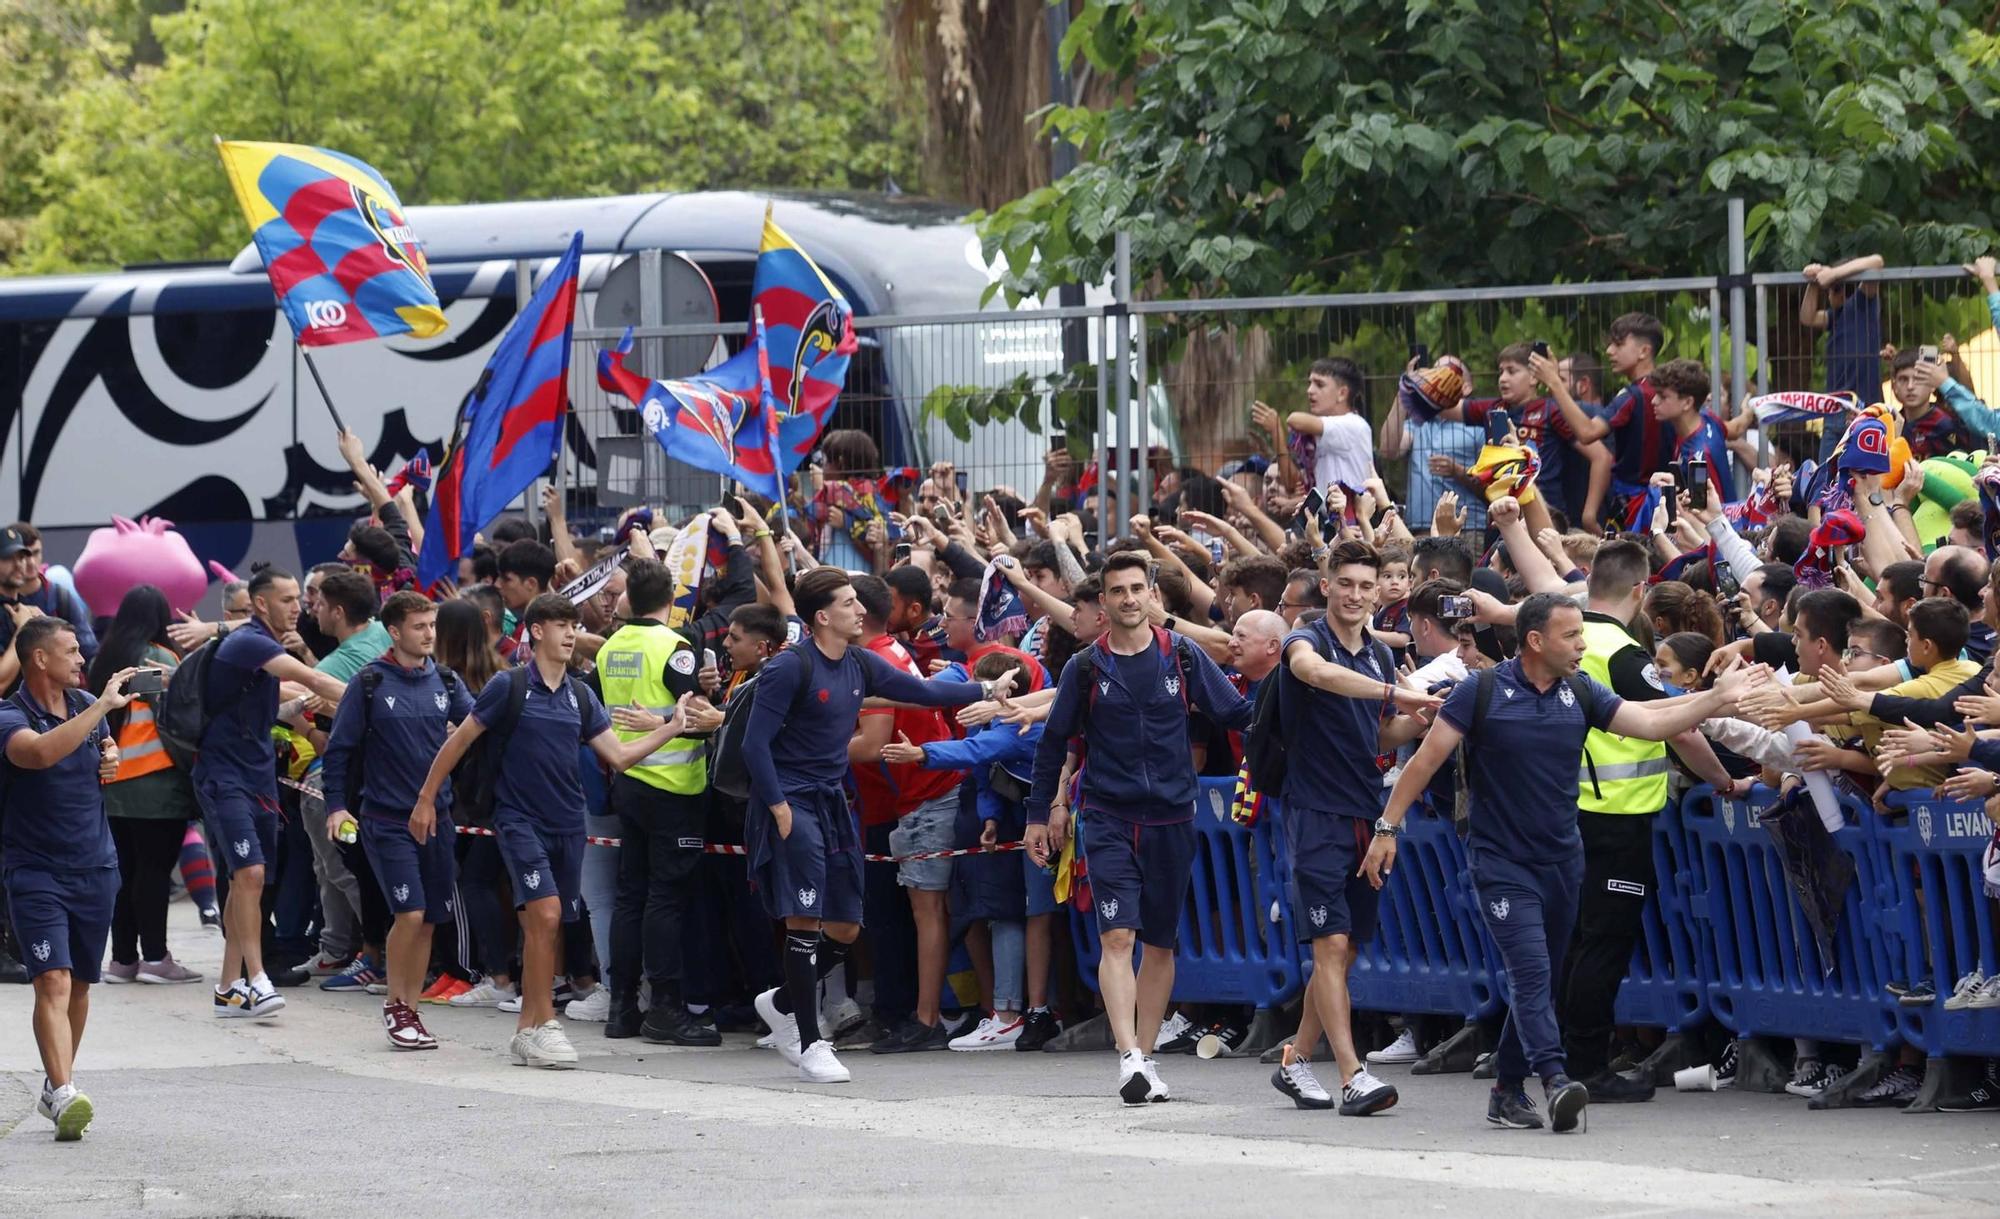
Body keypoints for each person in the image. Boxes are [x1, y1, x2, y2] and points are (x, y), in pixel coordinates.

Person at [1367, 593, 1766, 1134]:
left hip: (1563, 860)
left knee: (1545, 979)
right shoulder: (1479, 692)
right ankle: (1555, 1081)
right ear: (1536, 642)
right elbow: (1424, 762)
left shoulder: (1581, 690)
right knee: (1531, 973)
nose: (1582, 645)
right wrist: (1387, 828)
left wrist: (1716, 699)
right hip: (1500, 861)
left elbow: (1650, 724)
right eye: (1571, 636)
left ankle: (1507, 1091)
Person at [741, 567, 1009, 1085]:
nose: (860, 609)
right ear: (822, 617)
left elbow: (922, 692)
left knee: (845, 925)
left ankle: (778, 1002)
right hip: (792, 802)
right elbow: (755, 745)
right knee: (804, 919)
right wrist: (776, 807)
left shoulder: (860, 663)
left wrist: (986, 686)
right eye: (847, 603)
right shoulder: (788, 668)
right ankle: (809, 1038)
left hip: (835, 802)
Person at [414, 593, 691, 1068]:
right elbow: (459, 741)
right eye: (561, 624)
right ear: (536, 630)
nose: (570, 633)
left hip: (569, 822)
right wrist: (426, 800)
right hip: (518, 821)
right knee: (543, 917)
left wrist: (673, 727)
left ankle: (531, 1027)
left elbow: (619, 757)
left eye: (573, 624)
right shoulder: (509, 686)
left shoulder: (581, 695)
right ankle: (542, 1026)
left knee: (551, 922)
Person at [1025, 551, 1256, 1105]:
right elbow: (1053, 743)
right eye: (1117, 591)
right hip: (1108, 817)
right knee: (1117, 936)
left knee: (1159, 943)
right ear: (1102, 602)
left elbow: (1237, 713)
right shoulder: (1084, 667)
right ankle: (1128, 1054)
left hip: (1175, 817)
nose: (1128, 598)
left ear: (1152, 593)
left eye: (1137, 588)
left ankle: (1145, 1060)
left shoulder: (1184, 655)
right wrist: (1039, 814)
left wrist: (1298, 704)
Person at [1560, 541, 1739, 1104]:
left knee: (1575, 942)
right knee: (1602, 944)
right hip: (1615, 817)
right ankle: (1586, 1066)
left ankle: (1560, 1057)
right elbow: (1679, 727)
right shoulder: (1618, 652)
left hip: (1571, 811)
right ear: (1640, 591)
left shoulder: (1569, 641)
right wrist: (1725, 783)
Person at [1267, 541, 1432, 1115]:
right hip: (1313, 813)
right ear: (1327, 583)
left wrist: (1421, 717)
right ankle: (1352, 1074)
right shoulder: (1306, 640)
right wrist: (1397, 693)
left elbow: (1379, 734)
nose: (1358, 594)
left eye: (1368, 585)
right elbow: (1316, 676)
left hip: (1367, 814)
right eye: (1348, 583)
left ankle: (1295, 1060)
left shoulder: (1381, 658)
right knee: (1330, 945)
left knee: (1346, 951)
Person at [1, 616, 139, 1139]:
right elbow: (36, 754)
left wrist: (110, 753)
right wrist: (104, 707)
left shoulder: (84, 709)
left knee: (81, 982)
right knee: (52, 980)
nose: (82, 659)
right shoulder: (9, 715)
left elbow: (100, 749)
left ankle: (58, 1087)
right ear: (40, 659)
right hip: (35, 870)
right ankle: (63, 1092)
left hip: (96, 865)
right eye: (72, 651)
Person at [320, 591, 474, 1051]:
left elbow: (479, 728)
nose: (429, 634)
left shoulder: (446, 682)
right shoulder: (369, 682)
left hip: (440, 819)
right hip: (386, 821)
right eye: (419, 626)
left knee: (428, 919)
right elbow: (340, 751)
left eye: (432, 625)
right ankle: (396, 1006)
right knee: (408, 913)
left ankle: (412, 1009)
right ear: (394, 631)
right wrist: (335, 806)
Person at [195, 567, 347, 1020]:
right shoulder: (250, 641)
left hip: (258, 778)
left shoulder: (260, 647)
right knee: (251, 875)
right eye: (287, 598)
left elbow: (269, 709)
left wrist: (297, 707)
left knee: (246, 880)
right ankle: (257, 978)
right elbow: (316, 679)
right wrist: (378, 696)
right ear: (261, 604)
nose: (297, 605)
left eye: (299, 597)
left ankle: (228, 988)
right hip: (225, 778)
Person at [593, 558, 724, 1046]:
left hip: (628, 777)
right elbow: (697, 714)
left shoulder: (610, 648)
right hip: (674, 788)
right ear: (672, 599)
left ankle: (622, 1006)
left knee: (631, 895)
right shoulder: (675, 646)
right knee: (666, 899)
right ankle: (667, 1008)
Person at [89, 585, 202, 985]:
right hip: (157, 786)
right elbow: (176, 719)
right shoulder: (159, 658)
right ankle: (155, 958)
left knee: (124, 875)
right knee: (154, 875)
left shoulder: (104, 660)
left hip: (112, 784)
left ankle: (122, 961)